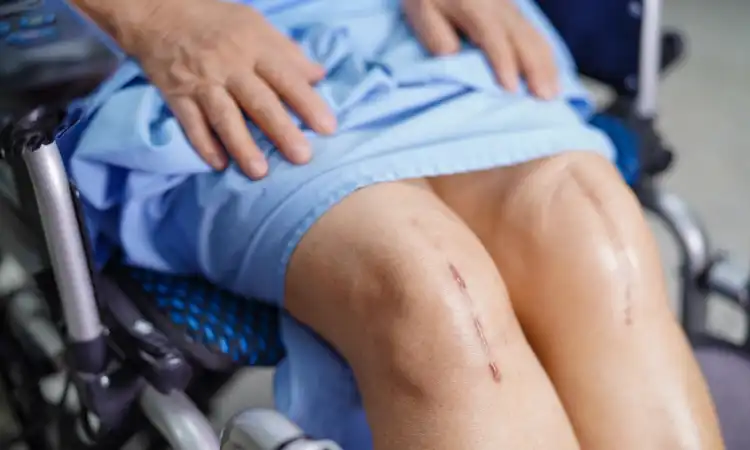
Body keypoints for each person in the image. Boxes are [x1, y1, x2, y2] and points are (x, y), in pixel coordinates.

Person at [63, 0, 724, 448]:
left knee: (594, 238)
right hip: (166, 49)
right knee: (430, 289)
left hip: (404, 26)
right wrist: (151, 16)